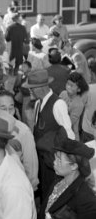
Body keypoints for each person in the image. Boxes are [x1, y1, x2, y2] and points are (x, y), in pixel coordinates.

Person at [23, 69, 76, 200]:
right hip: (41, 161)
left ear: (41, 88)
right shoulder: (37, 103)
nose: (29, 91)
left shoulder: (58, 104)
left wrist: (62, 162)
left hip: (52, 164)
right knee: (44, 193)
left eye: (32, 88)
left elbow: (70, 136)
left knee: (51, 195)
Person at [39, 137, 96, 219]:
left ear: (74, 166)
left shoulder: (86, 198)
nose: (54, 162)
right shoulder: (58, 180)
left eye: (59, 160)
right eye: (55, 157)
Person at [0, 90, 39, 190]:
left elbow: (30, 164)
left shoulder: (22, 131)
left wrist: (28, 188)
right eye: (3, 109)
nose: (8, 113)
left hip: (16, 188)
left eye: (11, 108)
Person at [59, 72, 89, 140]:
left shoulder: (78, 104)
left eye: (71, 85)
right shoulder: (63, 93)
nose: (68, 86)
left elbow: (70, 122)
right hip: (60, 131)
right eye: (67, 84)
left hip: (71, 135)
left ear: (79, 89)